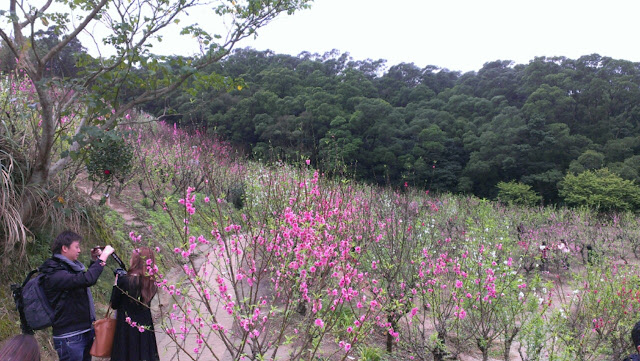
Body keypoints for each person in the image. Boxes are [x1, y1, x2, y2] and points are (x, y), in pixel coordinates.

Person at [40, 230, 115, 361]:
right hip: (69, 337)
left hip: (83, 332)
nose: (79, 250)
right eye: (76, 247)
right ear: (64, 248)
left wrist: (95, 261)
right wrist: (103, 258)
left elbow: (82, 280)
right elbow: (86, 280)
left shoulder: (67, 268)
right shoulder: (54, 272)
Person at [110, 247, 160, 361]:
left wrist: (116, 283)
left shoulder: (124, 280)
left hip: (126, 327)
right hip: (145, 325)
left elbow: (114, 303)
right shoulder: (152, 282)